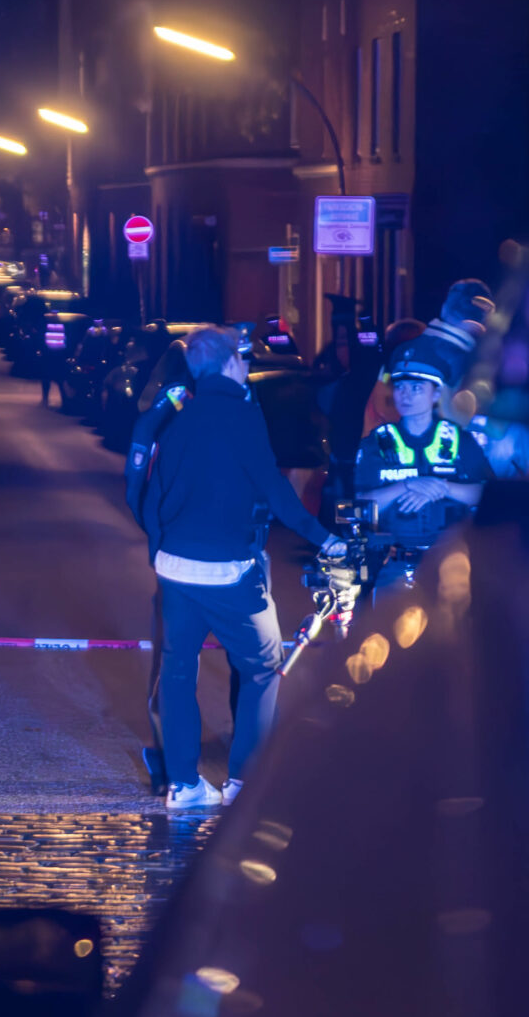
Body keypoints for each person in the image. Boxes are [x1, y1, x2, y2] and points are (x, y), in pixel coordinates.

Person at [132, 325, 347, 813]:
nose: (247, 367)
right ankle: (244, 783)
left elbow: (150, 493)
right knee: (263, 668)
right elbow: (275, 493)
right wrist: (325, 539)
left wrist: (160, 551)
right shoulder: (243, 414)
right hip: (228, 570)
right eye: (244, 360)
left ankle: (183, 786)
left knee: (178, 671)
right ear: (231, 363)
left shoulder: (174, 416)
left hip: (174, 568)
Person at [353, 346, 491, 573]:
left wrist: (442, 487)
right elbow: (358, 505)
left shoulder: (460, 440)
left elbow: (487, 495)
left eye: (416, 388)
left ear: (436, 394)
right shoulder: (375, 443)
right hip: (391, 562)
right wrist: (406, 485)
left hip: (453, 562)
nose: (405, 396)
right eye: (399, 387)